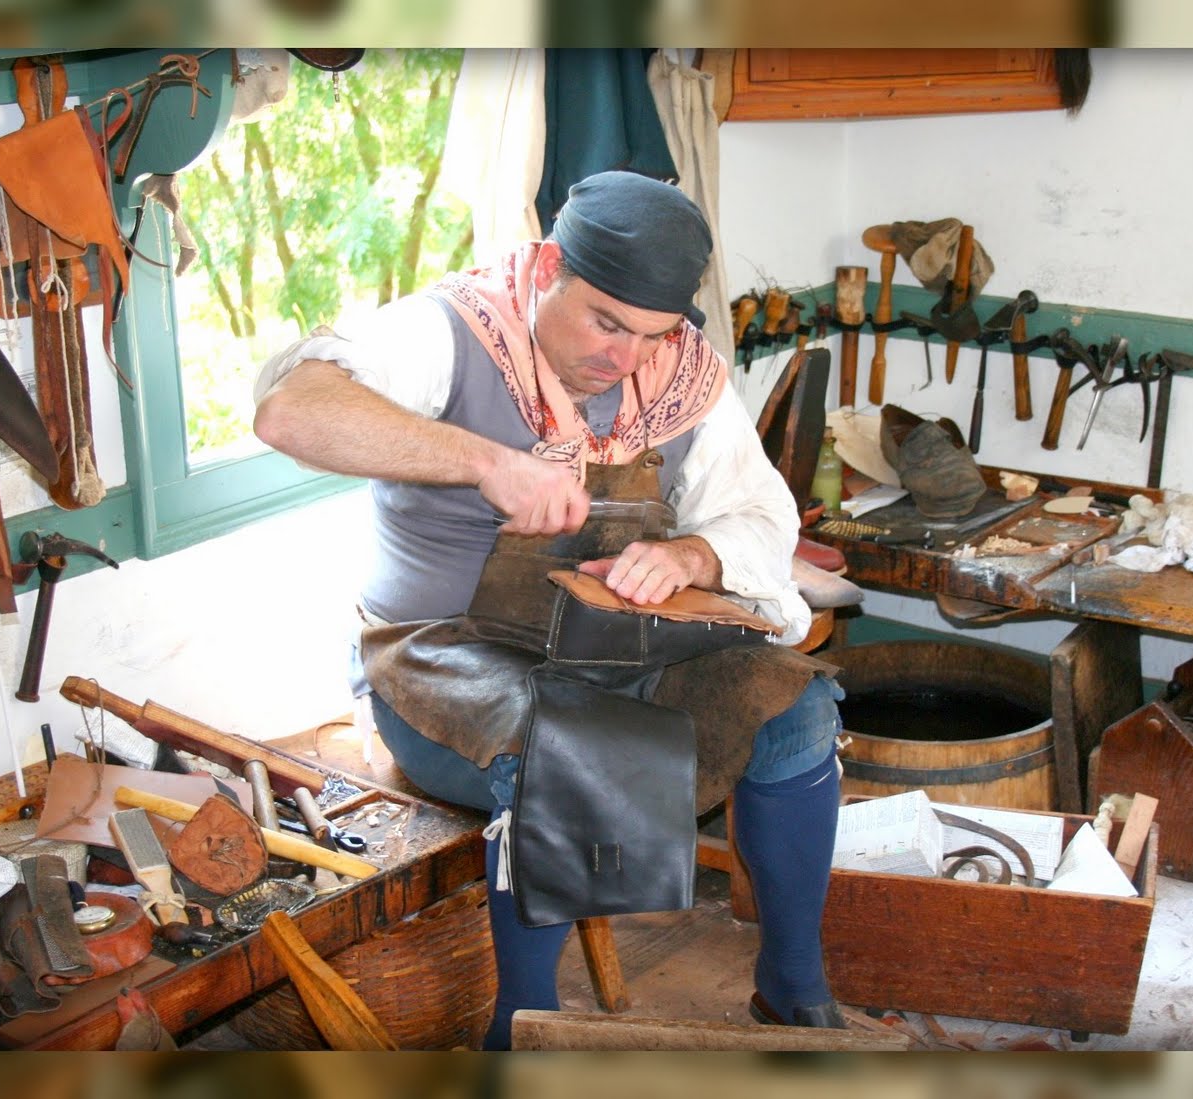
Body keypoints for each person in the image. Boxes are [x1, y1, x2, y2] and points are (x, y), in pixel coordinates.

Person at [253, 171, 845, 1048]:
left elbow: (761, 514)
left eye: (652, 334)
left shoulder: (681, 372)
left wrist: (692, 554)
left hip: (614, 647)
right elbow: (290, 412)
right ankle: (519, 1034)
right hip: (442, 661)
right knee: (560, 747)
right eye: (606, 322)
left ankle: (795, 987)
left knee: (796, 705)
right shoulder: (451, 331)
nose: (627, 358)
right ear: (547, 270)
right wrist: (485, 461)